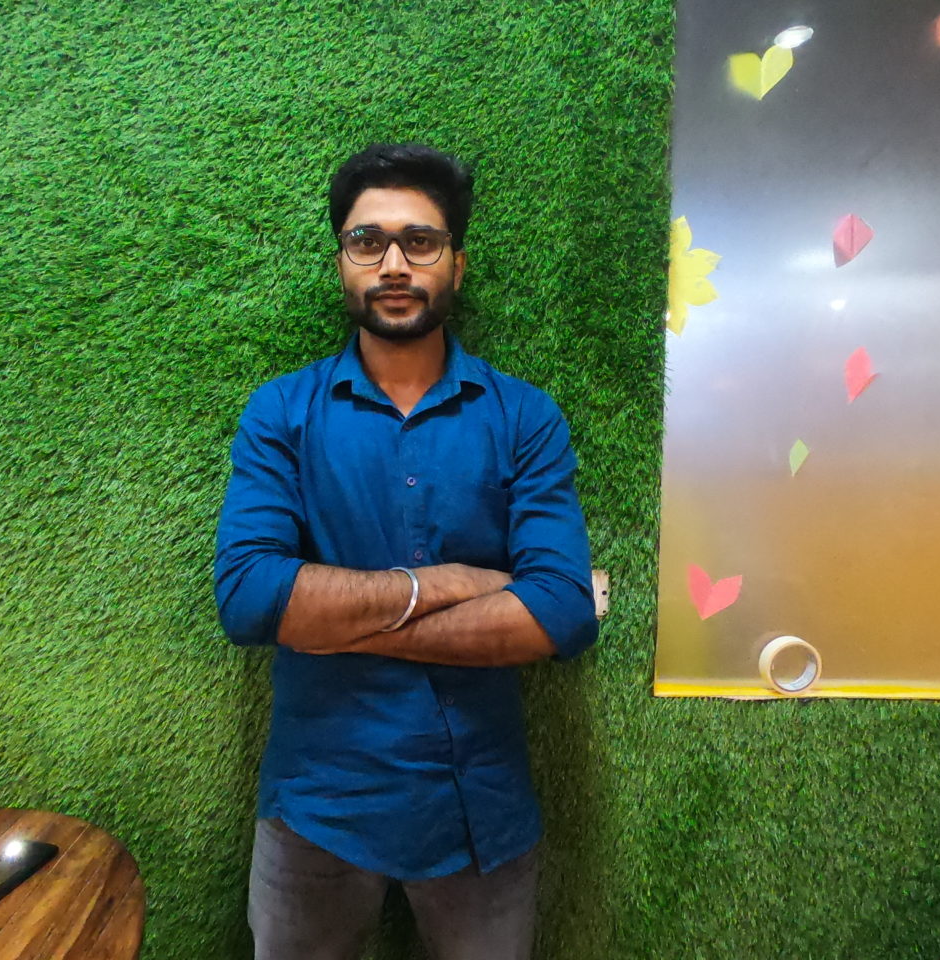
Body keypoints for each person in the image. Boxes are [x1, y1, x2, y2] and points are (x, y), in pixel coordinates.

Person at [213, 142, 599, 960]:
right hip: (316, 808)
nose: (393, 264)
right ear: (341, 262)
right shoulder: (281, 413)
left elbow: (562, 612)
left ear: (457, 263)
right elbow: (249, 599)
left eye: (419, 241)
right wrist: (451, 583)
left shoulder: (525, 418)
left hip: (480, 812)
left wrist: (332, 623)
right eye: (367, 241)